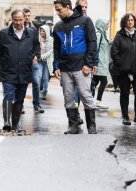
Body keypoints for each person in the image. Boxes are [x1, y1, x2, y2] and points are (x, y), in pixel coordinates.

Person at [53, 0, 97, 134]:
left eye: (59, 10)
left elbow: (92, 43)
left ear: (67, 7)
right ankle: (73, 126)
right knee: (68, 97)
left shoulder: (85, 21)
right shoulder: (58, 26)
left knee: (86, 96)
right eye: (56, 10)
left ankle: (91, 127)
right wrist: (56, 66)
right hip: (65, 68)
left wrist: (89, 64)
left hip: (81, 67)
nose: (57, 13)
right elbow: (56, 48)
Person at [0, 8, 40, 132]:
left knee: (20, 99)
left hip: (24, 71)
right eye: (15, 20)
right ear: (12, 20)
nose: (18, 22)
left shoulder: (31, 33)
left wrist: (36, 55)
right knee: (8, 95)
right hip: (8, 71)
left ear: (25, 19)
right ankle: (7, 122)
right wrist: (3, 64)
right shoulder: (3, 34)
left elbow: (37, 47)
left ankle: (15, 125)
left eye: (20, 20)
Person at [111, 13, 136, 125]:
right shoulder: (119, 36)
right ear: (124, 22)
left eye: (132, 20)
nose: (130, 22)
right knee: (124, 94)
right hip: (123, 71)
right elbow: (114, 52)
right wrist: (121, 64)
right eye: (128, 20)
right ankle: (125, 117)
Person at [23, 8, 44, 113]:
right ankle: (20, 105)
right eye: (25, 16)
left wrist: (37, 55)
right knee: (22, 84)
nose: (27, 18)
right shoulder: (18, 29)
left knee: (36, 82)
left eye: (28, 16)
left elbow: (37, 45)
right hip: (22, 63)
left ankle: (37, 105)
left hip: (33, 62)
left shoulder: (33, 30)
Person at [92, 19, 110, 109]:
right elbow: (95, 48)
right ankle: (97, 101)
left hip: (102, 62)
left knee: (95, 82)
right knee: (103, 81)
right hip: (99, 62)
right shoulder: (99, 34)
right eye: (107, 24)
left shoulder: (103, 34)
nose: (108, 26)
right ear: (102, 25)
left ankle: (90, 101)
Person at [37, 24, 54, 100]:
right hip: (39, 61)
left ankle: (44, 92)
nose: (41, 32)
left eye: (43, 31)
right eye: (41, 31)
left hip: (47, 61)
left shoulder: (51, 39)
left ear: (47, 31)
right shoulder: (38, 39)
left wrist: (42, 56)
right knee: (39, 76)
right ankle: (38, 91)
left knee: (45, 77)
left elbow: (51, 51)